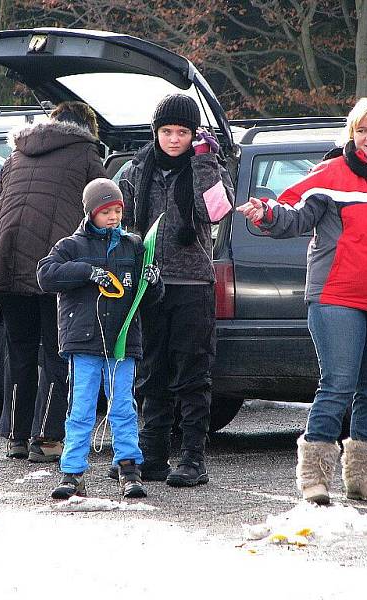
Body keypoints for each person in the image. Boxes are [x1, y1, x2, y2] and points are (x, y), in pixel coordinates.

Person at [237, 96, 367, 504]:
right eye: (361, 130)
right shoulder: (331, 174)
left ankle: (363, 478)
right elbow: (293, 213)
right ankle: (314, 479)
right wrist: (265, 213)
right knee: (338, 384)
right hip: (336, 296)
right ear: (352, 134)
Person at [0, 101, 106, 462]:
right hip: (53, 265)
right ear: (87, 128)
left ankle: (16, 436)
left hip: (7, 259)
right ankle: (49, 437)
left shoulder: (16, 155)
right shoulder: (87, 154)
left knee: (19, 349)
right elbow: (101, 212)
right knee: (56, 350)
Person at [118, 94, 233, 487]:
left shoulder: (209, 168)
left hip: (194, 285)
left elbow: (215, 212)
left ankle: (192, 458)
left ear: (194, 134)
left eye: (182, 132)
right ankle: (151, 454)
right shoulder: (136, 171)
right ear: (155, 132)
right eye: (166, 131)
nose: (173, 139)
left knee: (192, 372)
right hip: (149, 286)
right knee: (151, 372)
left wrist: (203, 160)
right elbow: (124, 223)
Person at [37, 178, 163, 499]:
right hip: (84, 344)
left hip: (123, 343)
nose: (113, 216)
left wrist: (153, 282)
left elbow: (147, 299)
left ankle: (129, 468)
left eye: (118, 209)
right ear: (90, 212)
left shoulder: (134, 246)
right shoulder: (71, 246)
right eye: (106, 210)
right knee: (80, 407)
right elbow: (45, 275)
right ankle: (73, 472)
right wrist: (86, 272)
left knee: (123, 406)